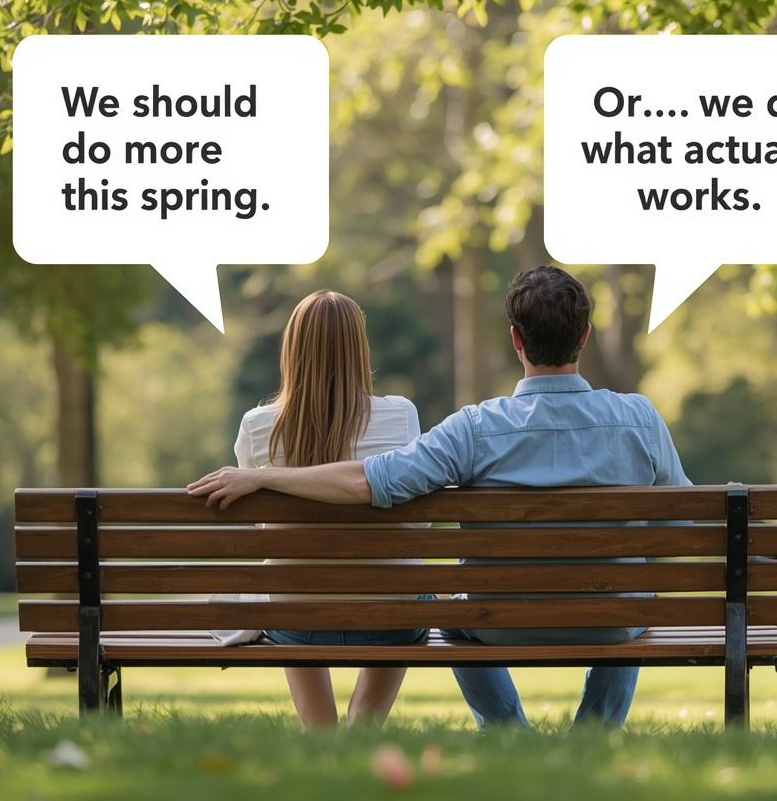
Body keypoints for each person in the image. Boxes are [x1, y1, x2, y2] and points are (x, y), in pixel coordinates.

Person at [191, 266, 691, 730]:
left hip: (494, 626)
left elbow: (371, 481)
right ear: (584, 335)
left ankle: (508, 732)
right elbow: (685, 522)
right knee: (633, 591)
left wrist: (268, 477)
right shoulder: (640, 419)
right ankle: (596, 733)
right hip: (611, 622)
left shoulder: (474, 428)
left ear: (515, 339)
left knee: (452, 608)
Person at [231, 290, 425, 728]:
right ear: (359, 349)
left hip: (295, 615)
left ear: (292, 350)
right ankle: (363, 727)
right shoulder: (401, 416)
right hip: (389, 616)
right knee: (413, 588)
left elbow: (261, 524)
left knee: (290, 586)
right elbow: (419, 518)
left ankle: (320, 731)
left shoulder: (257, 426)